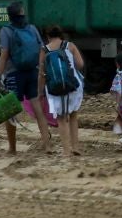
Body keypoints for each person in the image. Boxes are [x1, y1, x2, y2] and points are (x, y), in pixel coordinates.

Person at [0, 1, 49, 154]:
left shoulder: (6, 30)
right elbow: (42, 48)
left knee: (10, 111)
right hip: (32, 71)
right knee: (37, 108)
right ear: (22, 13)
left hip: (14, 74)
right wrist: (41, 69)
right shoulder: (31, 28)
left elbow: (4, 55)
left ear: (9, 16)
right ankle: (46, 144)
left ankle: (12, 148)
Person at [37, 25, 87, 157]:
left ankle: (66, 151)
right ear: (61, 34)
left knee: (61, 118)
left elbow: (42, 74)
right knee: (73, 115)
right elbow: (81, 64)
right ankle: (75, 147)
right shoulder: (70, 46)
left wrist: (40, 91)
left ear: (47, 36)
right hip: (73, 85)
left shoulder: (44, 50)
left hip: (54, 88)